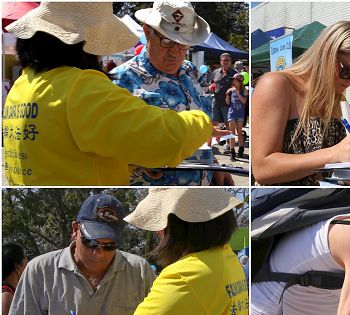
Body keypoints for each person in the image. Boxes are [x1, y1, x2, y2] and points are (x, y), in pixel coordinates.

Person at [2, 2, 227, 186]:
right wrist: (203, 124)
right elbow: (167, 138)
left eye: (183, 45)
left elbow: (67, 148)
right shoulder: (81, 86)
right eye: (167, 41)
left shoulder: (22, 87)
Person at [38, 188, 249, 315]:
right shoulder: (226, 259)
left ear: (177, 225)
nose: (158, 232)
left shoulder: (187, 276)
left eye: (160, 221)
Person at [5, 194, 155, 315]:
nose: (99, 253)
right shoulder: (40, 270)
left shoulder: (140, 271)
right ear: (75, 230)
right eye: (90, 242)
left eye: (109, 246)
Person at [251, 21, 350, 185]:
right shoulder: (276, 84)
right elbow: (262, 169)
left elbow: (325, 168)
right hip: (285, 204)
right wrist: (333, 154)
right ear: (326, 55)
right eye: (349, 71)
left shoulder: (334, 95)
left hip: (325, 200)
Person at [211, 53, 238, 138]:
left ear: (231, 62)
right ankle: (214, 142)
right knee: (214, 122)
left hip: (228, 103)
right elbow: (211, 83)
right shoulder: (215, 72)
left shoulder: (234, 74)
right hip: (216, 101)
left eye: (227, 60)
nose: (225, 62)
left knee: (228, 123)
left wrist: (232, 89)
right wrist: (210, 87)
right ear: (220, 61)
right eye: (224, 60)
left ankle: (229, 144)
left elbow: (238, 87)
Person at [226, 73, 248, 161]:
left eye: (236, 80)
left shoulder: (244, 91)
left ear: (240, 82)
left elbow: (243, 101)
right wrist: (227, 96)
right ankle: (232, 152)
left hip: (240, 114)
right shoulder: (230, 90)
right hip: (231, 113)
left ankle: (241, 148)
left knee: (239, 132)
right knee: (231, 133)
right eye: (233, 80)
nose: (234, 82)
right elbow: (227, 103)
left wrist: (237, 93)